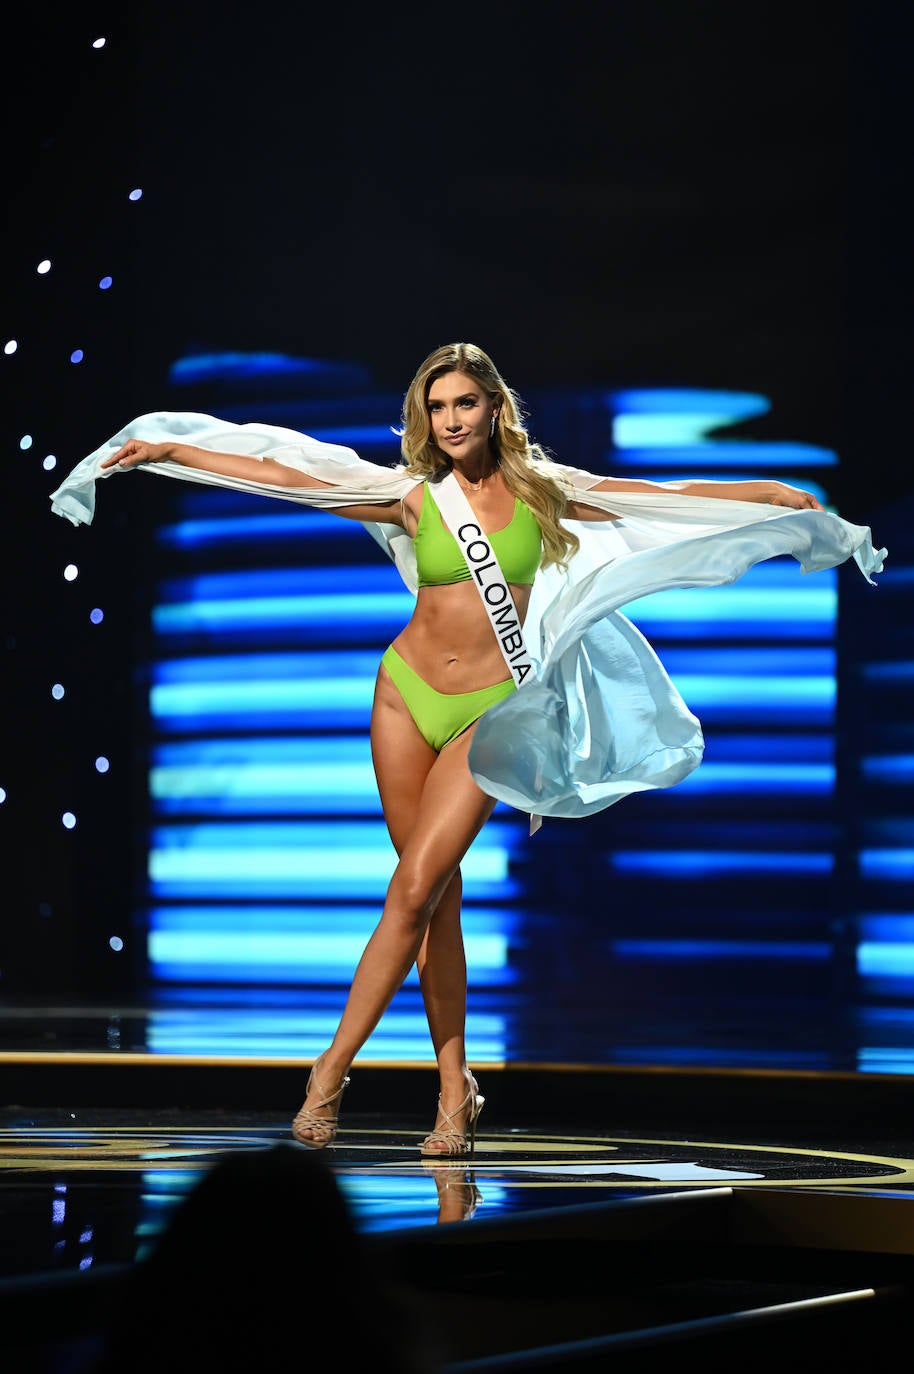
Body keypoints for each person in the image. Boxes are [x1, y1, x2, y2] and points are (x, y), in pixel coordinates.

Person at [51, 342, 886, 1158]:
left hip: (492, 708)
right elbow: (287, 480)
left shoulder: (547, 492)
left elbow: (660, 497)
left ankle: (327, 1077)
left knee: (413, 887)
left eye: (465, 403)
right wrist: (169, 451)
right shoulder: (416, 497)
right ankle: (456, 1089)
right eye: (437, 407)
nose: (451, 419)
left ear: (494, 408)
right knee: (432, 899)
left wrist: (770, 493)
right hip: (404, 694)